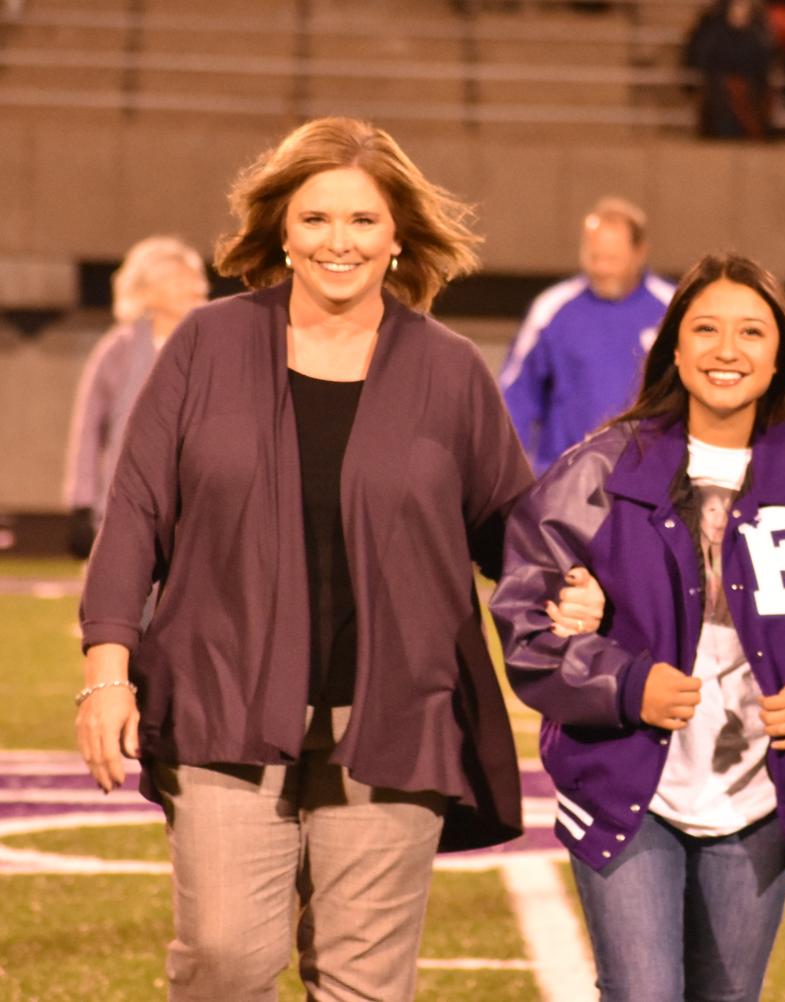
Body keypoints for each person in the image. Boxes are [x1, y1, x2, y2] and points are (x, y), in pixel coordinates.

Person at [74, 116, 542, 1001]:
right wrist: (108, 671)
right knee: (226, 960)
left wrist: (578, 586)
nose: (339, 241)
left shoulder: (449, 369)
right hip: (222, 709)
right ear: (282, 231)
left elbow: (513, 530)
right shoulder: (207, 345)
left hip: (396, 720)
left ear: (397, 234)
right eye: (317, 218)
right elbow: (135, 511)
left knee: (363, 983)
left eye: (362, 220)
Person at [491, 251, 785, 1001]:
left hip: (762, 794)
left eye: (751, 332)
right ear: (672, 348)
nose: (726, 350)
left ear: (781, 353)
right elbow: (526, 621)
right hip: (624, 789)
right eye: (705, 329)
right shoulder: (599, 471)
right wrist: (624, 683)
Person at [498, 196, 675, 471]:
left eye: (612, 259)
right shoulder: (552, 310)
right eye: (594, 257)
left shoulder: (673, 309)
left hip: (650, 477)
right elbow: (515, 399)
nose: (602, 269)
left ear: (640, 252)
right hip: (565, 478)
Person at [61, 236, 209, 559]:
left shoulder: (215, 346)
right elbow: (88, 430)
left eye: (196, 278)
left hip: (197, 506)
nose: (196, 287)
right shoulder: (119, 350)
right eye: (179, 280)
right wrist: (81, 503)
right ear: (148, 290)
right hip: (126, 502)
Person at [685, 0, 777, 140]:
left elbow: (764, 62)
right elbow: (701, 57)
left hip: (752, 85)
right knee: (724, 90)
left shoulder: (758, 27)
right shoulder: (711, 22)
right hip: (719, 85)